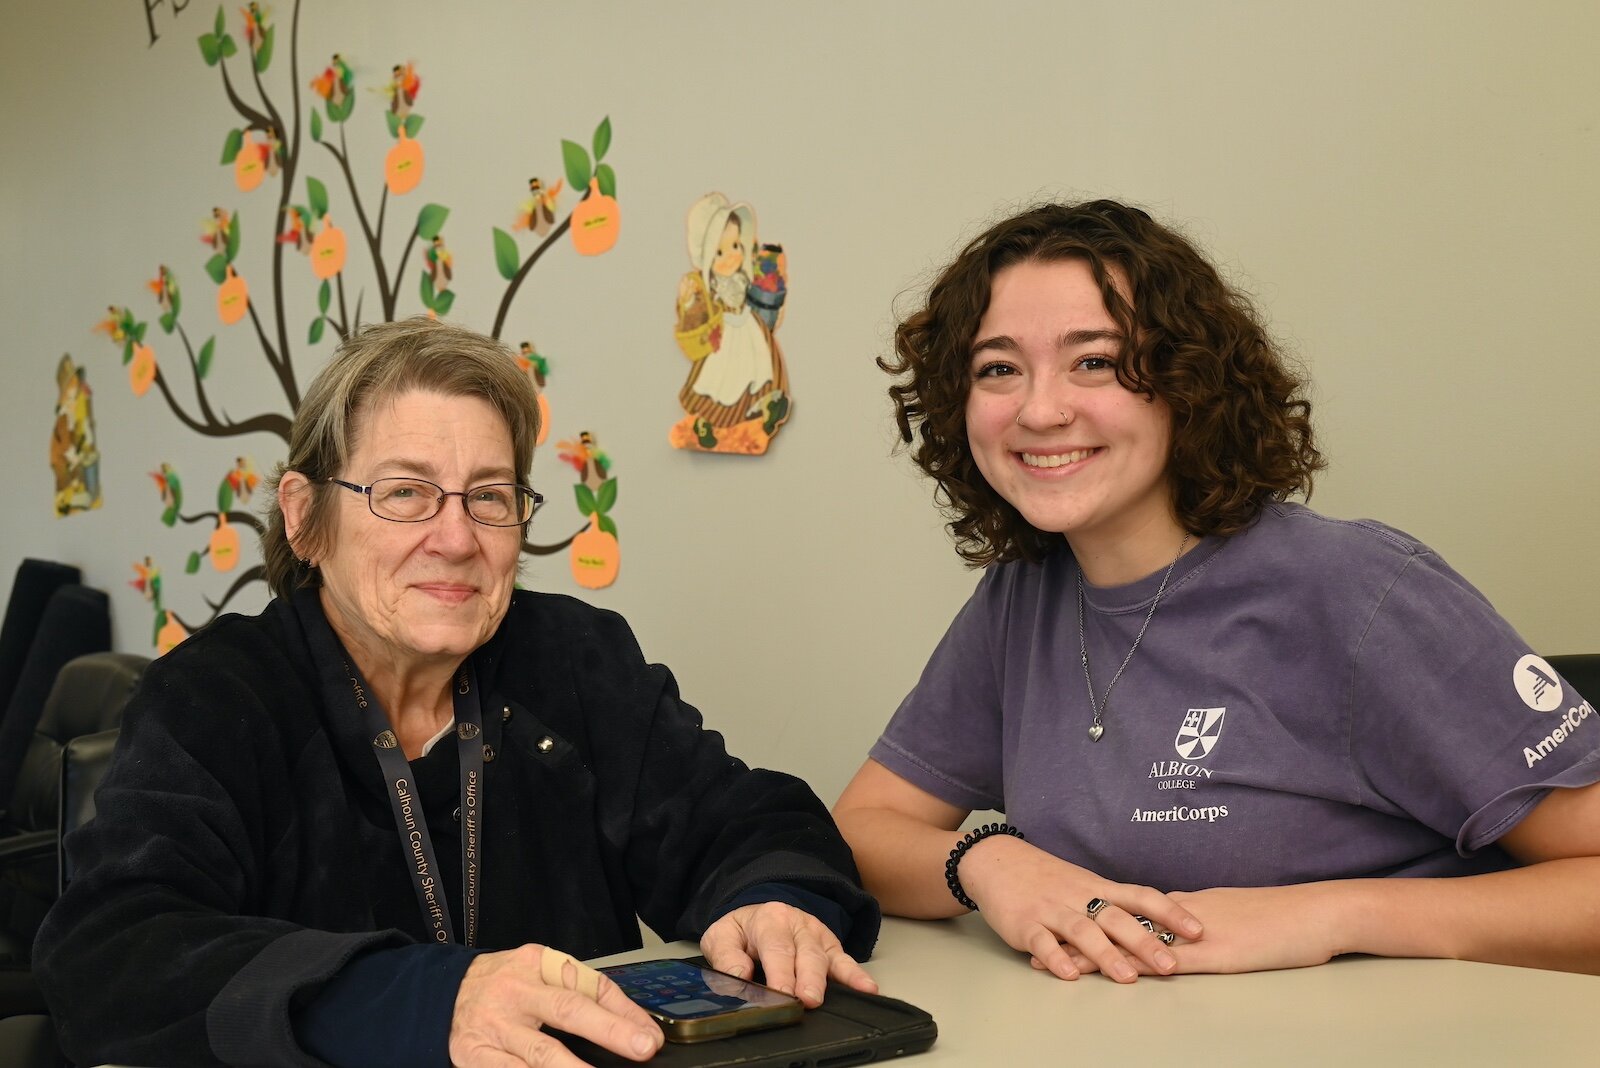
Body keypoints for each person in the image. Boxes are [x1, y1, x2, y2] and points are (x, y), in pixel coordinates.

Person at [36, 318, 879, 1067]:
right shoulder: (216, 696)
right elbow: (114, 953)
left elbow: (748, 819)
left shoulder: (574, 659)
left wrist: (778, 901)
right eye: (404, 493)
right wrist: (427, 1001)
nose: (456, 537)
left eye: (490, 496)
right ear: (304, 517)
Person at [833, 200, 1600, 984]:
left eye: (1094, 360)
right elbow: (862, 829)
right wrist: (990, 863)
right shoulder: (1022, 599)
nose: (1039, 409)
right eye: (998, 368)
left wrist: (1335, 914)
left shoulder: (1356, 592)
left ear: (1186, 381)